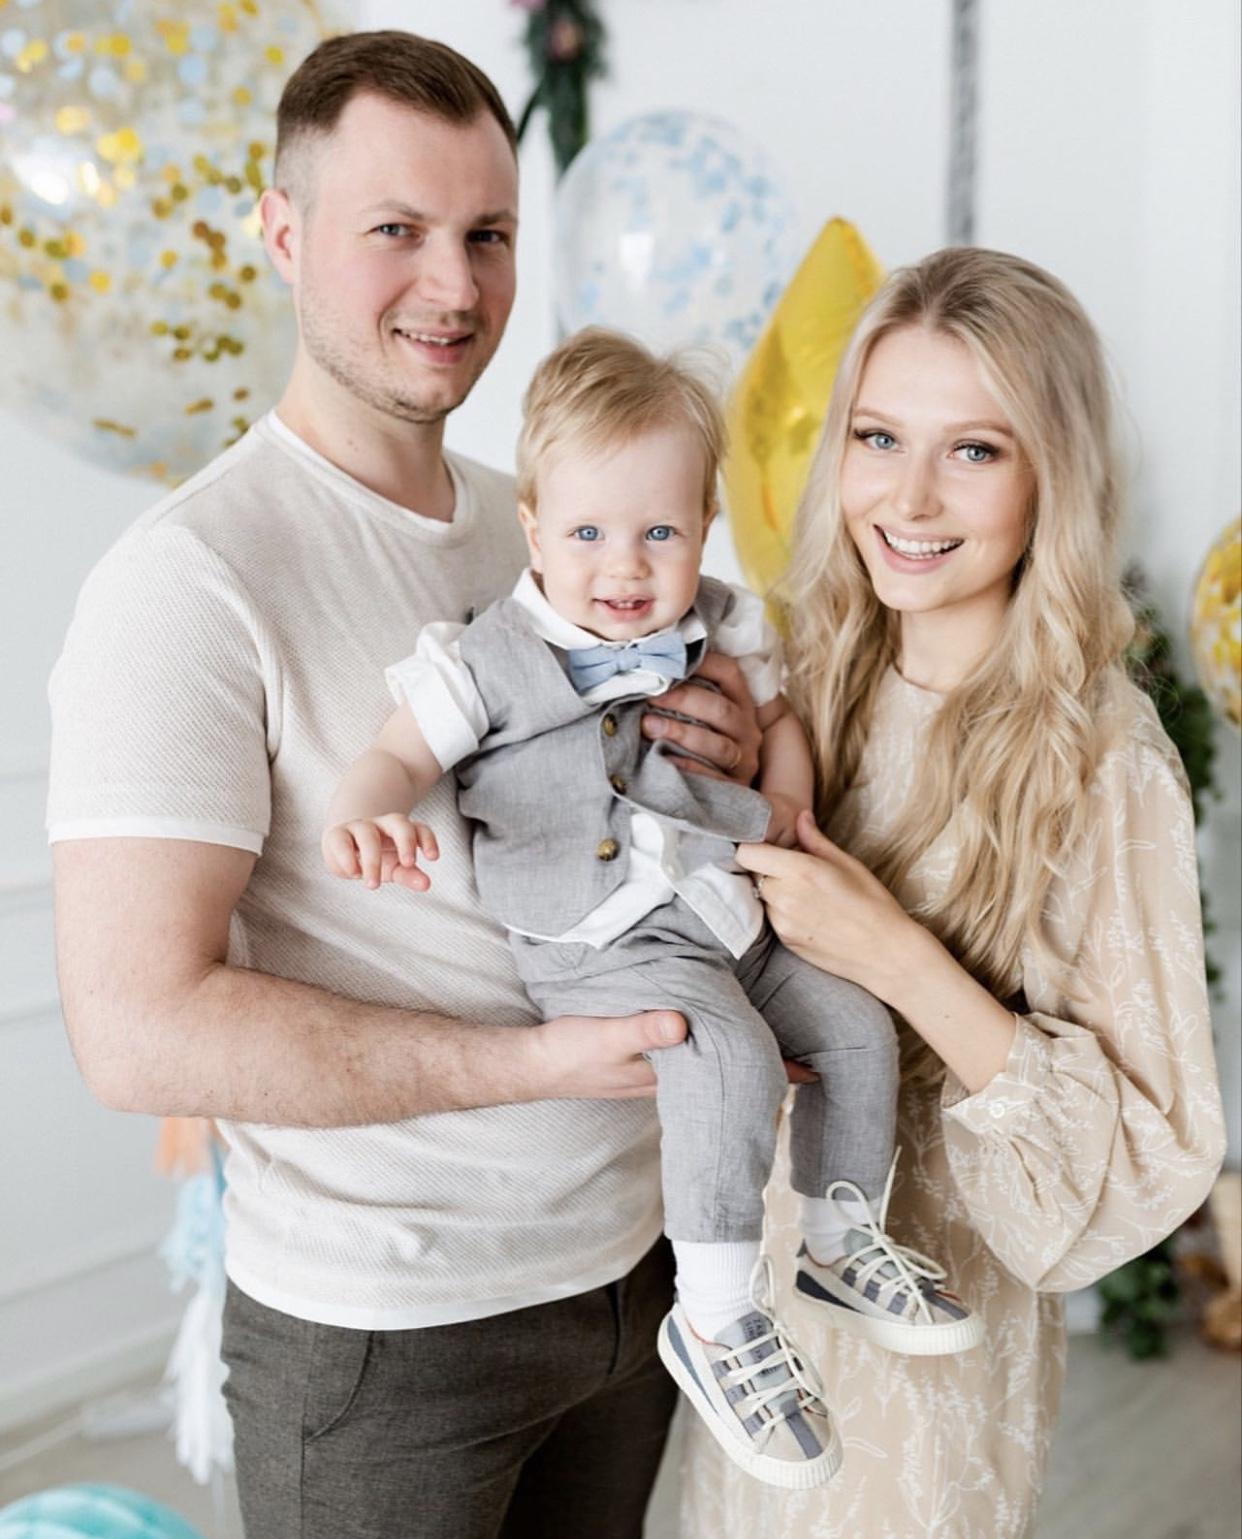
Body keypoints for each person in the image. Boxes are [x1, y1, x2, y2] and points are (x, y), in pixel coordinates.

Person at [46, 32, 766, 1539]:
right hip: (386, 1338)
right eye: (398, 229)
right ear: (283, 230)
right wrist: (534, 1067)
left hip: (634, 1275)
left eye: (488, 235)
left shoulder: (563, 528)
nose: (454, 285)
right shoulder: (184, 583)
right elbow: (136, 1029)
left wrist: (730, 749)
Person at [322, 326, 985, 1491]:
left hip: (721, 911)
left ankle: (839, 1240)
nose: (623, 567)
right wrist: (370, 810)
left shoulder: (722, 624)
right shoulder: (486, 659)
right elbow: (397, 750)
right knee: (724, 1052)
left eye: (659, 534)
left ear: (705, 526)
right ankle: (717, 1317)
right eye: (587, 534)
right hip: (598, 939)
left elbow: (776, 719)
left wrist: (786, 801)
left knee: (852, 1021)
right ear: (534, 528)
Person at [678, 247, 1228, 1536]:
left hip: (933, 1351)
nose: (909, 497)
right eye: (879, 438)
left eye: (973, 451)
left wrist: (899, 958)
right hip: (753, 1302)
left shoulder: (1107, 759)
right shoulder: (809, 678)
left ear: (1053, 479)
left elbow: (1149, 1149)